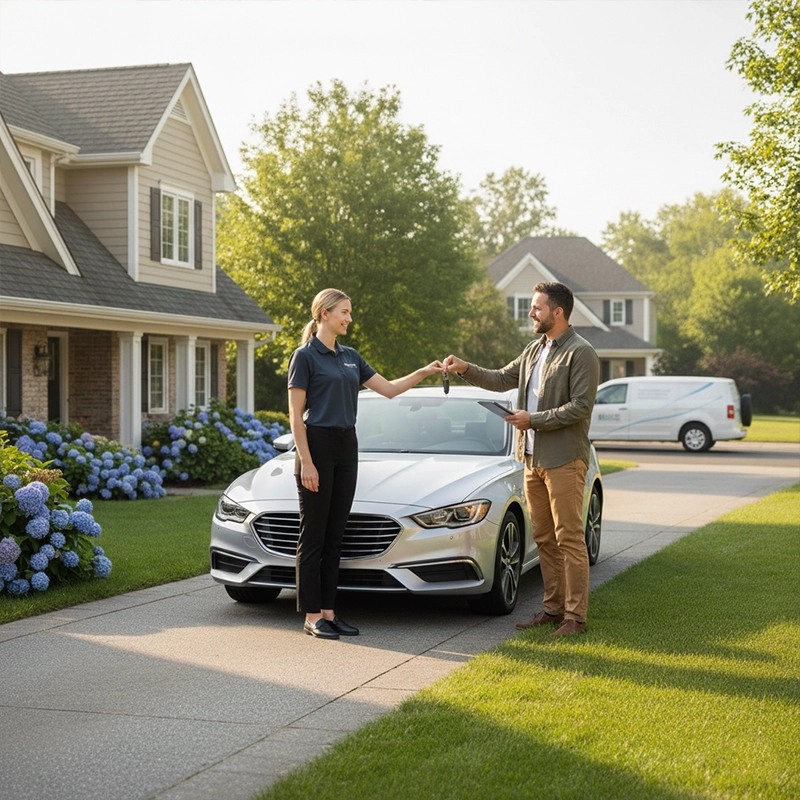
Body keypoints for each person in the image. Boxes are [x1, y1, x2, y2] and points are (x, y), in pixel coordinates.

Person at [444, 282, 599, 636]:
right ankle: (552, 609)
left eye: (537, 308)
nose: (531, 313)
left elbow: (580, 407)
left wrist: (534, 420)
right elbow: (500, 380)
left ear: (558, 312)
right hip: (531, 460)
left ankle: (575, 618)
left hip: (563, 459)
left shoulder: (581, 352)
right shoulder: (533, 350)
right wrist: (465, 367)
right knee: (544, 538)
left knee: (569, 538)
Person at [288, 288, 444, 640]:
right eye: (344, 312)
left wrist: (422, 372)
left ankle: (329, 612)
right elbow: (296, 417)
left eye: (350, 312)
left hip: (347, 445)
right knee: (313, 536)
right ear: (324, 313)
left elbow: (388, 389)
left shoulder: (350, 357)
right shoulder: (304, 356)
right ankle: (312, 616)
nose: (349, 318)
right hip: (316, 445)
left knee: (335, 535)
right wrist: (307, 463)